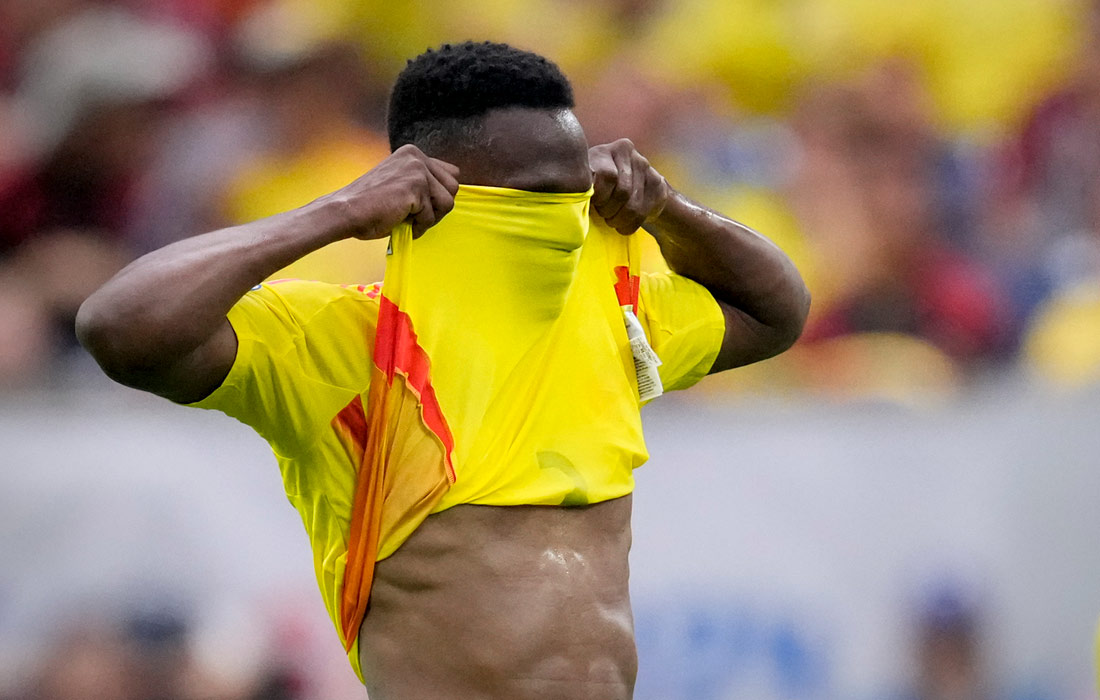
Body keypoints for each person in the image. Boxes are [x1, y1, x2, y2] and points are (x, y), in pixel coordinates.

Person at [77, 41, 810, 700]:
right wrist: (337, 211)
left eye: (579, 191)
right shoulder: (341, 340)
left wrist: (667, 206)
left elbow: (776, 311)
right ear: (427, 191)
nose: (569, 218)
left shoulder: (613, 317)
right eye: (537, 198)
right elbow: (120, 325)